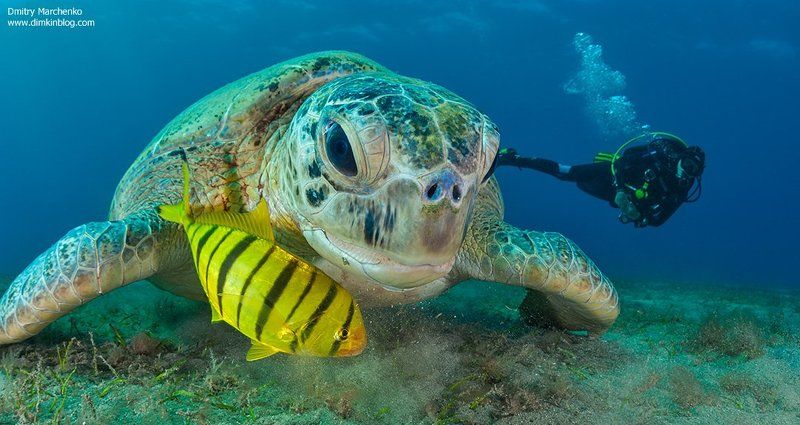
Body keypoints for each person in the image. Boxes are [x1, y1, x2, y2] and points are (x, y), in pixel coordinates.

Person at [494, 132, 705, 227]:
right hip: (612, 173)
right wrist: (621, 189)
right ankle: (512, 158)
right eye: (687, 166)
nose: (688, 172)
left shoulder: (681, 188)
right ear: (680, 159)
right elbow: (623, 161)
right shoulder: (660, 156)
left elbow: (659, 220)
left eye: (693, 171)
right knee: (565, 172)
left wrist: (642, 216)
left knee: (582, 184)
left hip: (614, 196)